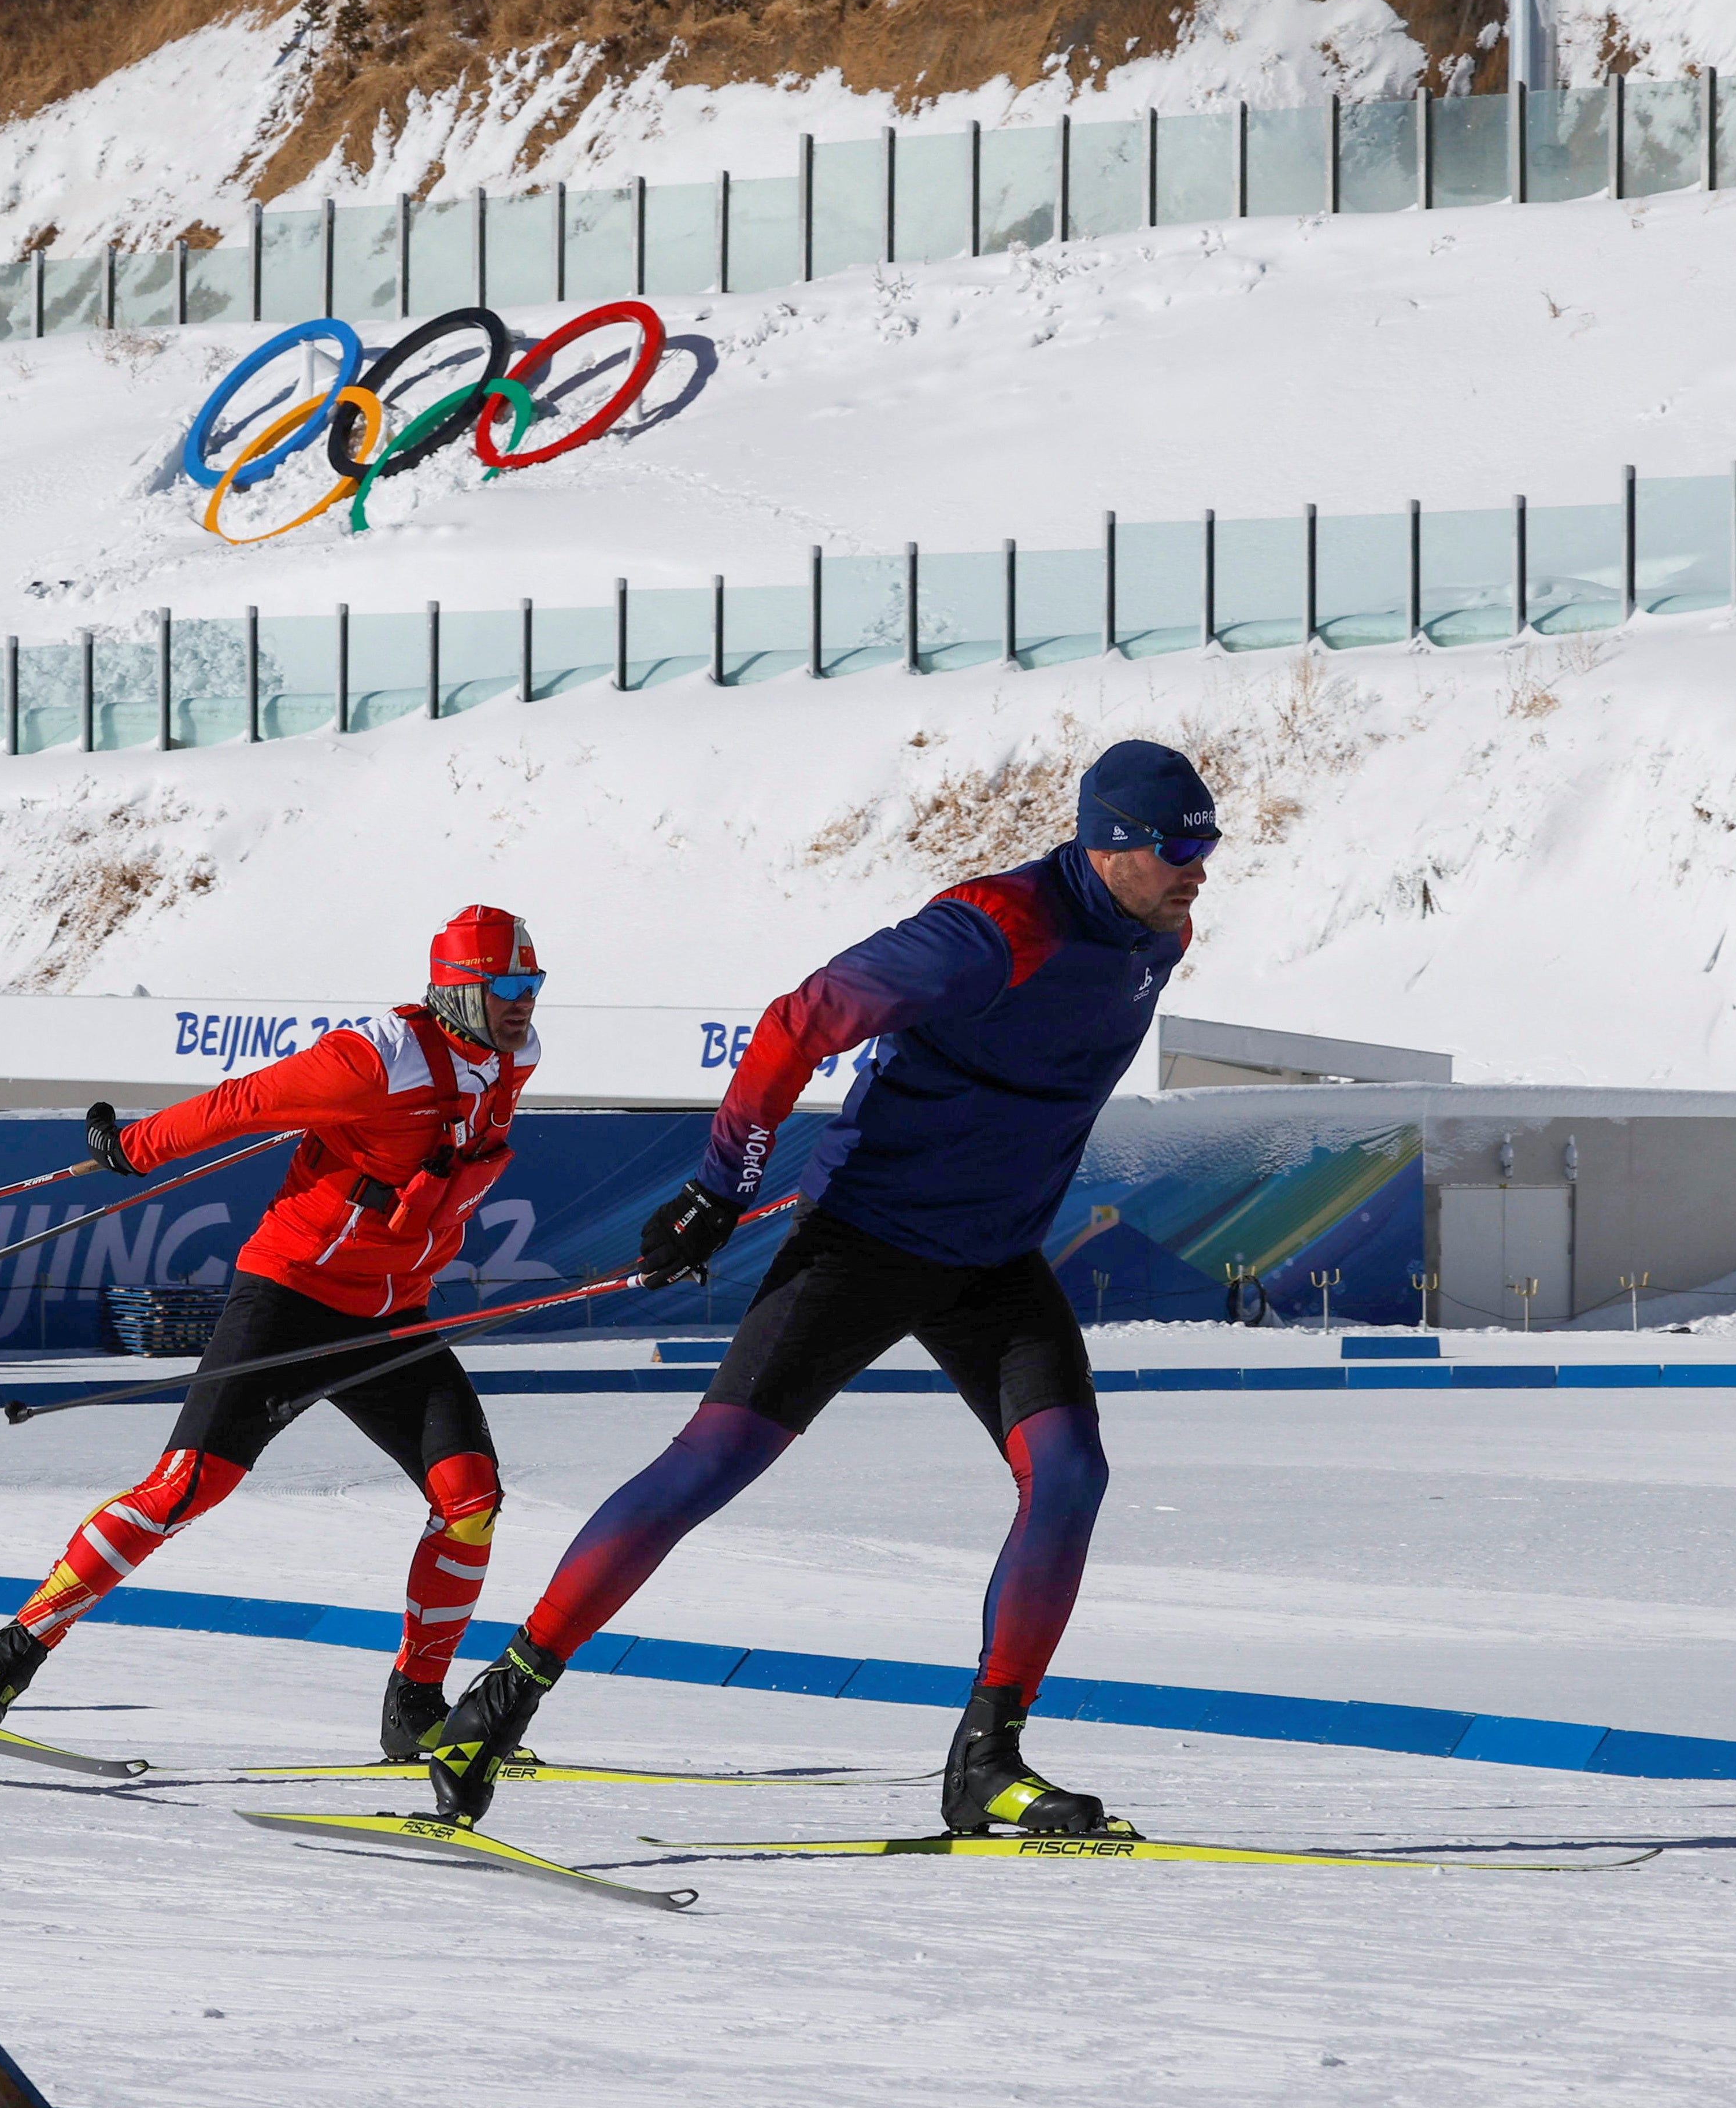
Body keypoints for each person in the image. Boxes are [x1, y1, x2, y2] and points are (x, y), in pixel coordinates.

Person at [424, 741, 1219, 1837]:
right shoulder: (992, 929)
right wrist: (717, 1189)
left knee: (1071, 1473)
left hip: (993, 1256)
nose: (1201, 867)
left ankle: (989, 1759)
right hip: (867, 1242)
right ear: (1108, 841)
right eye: (1180, 846)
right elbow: (798, 1021)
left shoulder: (1160, 933)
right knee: (710, 1466)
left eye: (1210, 843)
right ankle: (495, 1704)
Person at [0, 906, 546, 1760]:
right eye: (508, 988)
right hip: (292, 1296)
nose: (524, 1004)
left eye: (533, 986)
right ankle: (16, 1648)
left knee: (470, 1499)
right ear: (457, 990)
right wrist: (133, 1146)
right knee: (187, 1486)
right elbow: (247, 1103)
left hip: (390, 1315)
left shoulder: (516, 1056)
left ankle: (417, 1704)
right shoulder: (375, 1056)